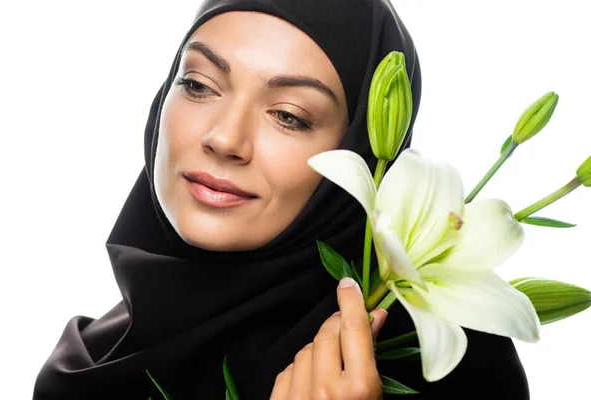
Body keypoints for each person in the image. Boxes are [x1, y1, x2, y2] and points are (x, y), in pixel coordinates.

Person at [33, 0, 530, 398]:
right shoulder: (83, 367)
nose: (225, 139)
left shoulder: (446, 368)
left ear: (358, 148)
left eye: (289, 116)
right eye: (199, 84)